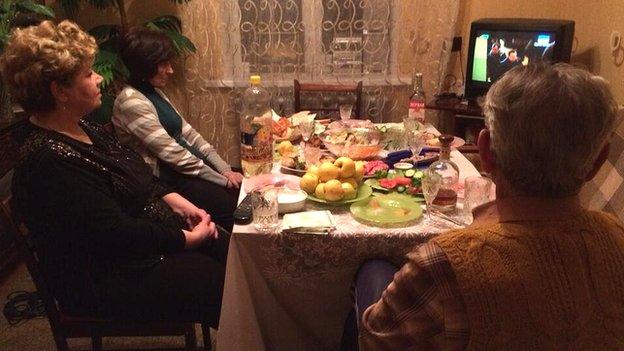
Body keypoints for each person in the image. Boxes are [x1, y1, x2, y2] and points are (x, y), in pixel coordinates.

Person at [356, 63, 624, 349]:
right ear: (598, 162)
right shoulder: (617, 237)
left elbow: (375, 340)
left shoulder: (441, 265)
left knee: (372, 269)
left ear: (485, 154)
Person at [1, 20, 228, 325]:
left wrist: (179, 204)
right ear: (60, 91)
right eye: (87, 74)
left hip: (135, 246)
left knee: (230, 250)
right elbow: (116, 234)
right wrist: (184, 239)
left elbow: (139, 174)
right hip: (103, 277)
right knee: (218, 284)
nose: (99, 79)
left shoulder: (86, 127)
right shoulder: (48, 161)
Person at [113, 27, 243, 232]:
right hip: (166, 179)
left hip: (186, 168)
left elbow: (189, 133)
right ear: (145, 65)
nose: (171, 70)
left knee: (243, 187)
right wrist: (223, 181)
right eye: (163, 64)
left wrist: (225, 169)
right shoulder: (131, 101)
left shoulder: (154, 92)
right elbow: (174, 156)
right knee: (233, 207)